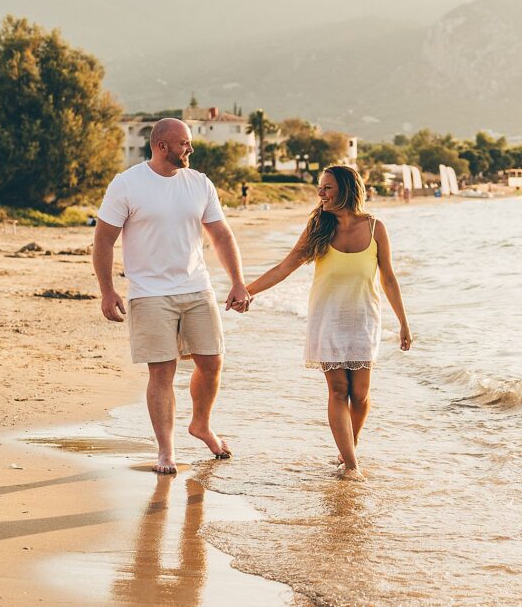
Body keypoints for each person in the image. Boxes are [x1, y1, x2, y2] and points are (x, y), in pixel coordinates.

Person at [92, 118, 252, 475]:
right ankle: (166, 451)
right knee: (162, 372)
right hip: (149, 294)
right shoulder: (127, 184)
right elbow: (103, 239)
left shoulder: (199, 183)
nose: (190, 149)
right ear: (161, 146)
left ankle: (201, 425)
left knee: (212, 363)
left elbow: (221, 236)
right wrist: (107, 290)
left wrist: (238, 282)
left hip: (197, 288)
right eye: (184, 143)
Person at [246, 165, 411, 481]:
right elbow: (285, 267)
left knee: (359, 396)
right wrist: (247, 290)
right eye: (320, 187)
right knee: (338, 390)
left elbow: (388, 278)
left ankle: (349, 445)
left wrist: (403, 322)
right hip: (327, 319)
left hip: (364, 319)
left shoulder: (375, 228)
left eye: (327, 187)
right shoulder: (318, 228)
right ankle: (351, 465)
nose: (320, 193)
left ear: (346, 190)